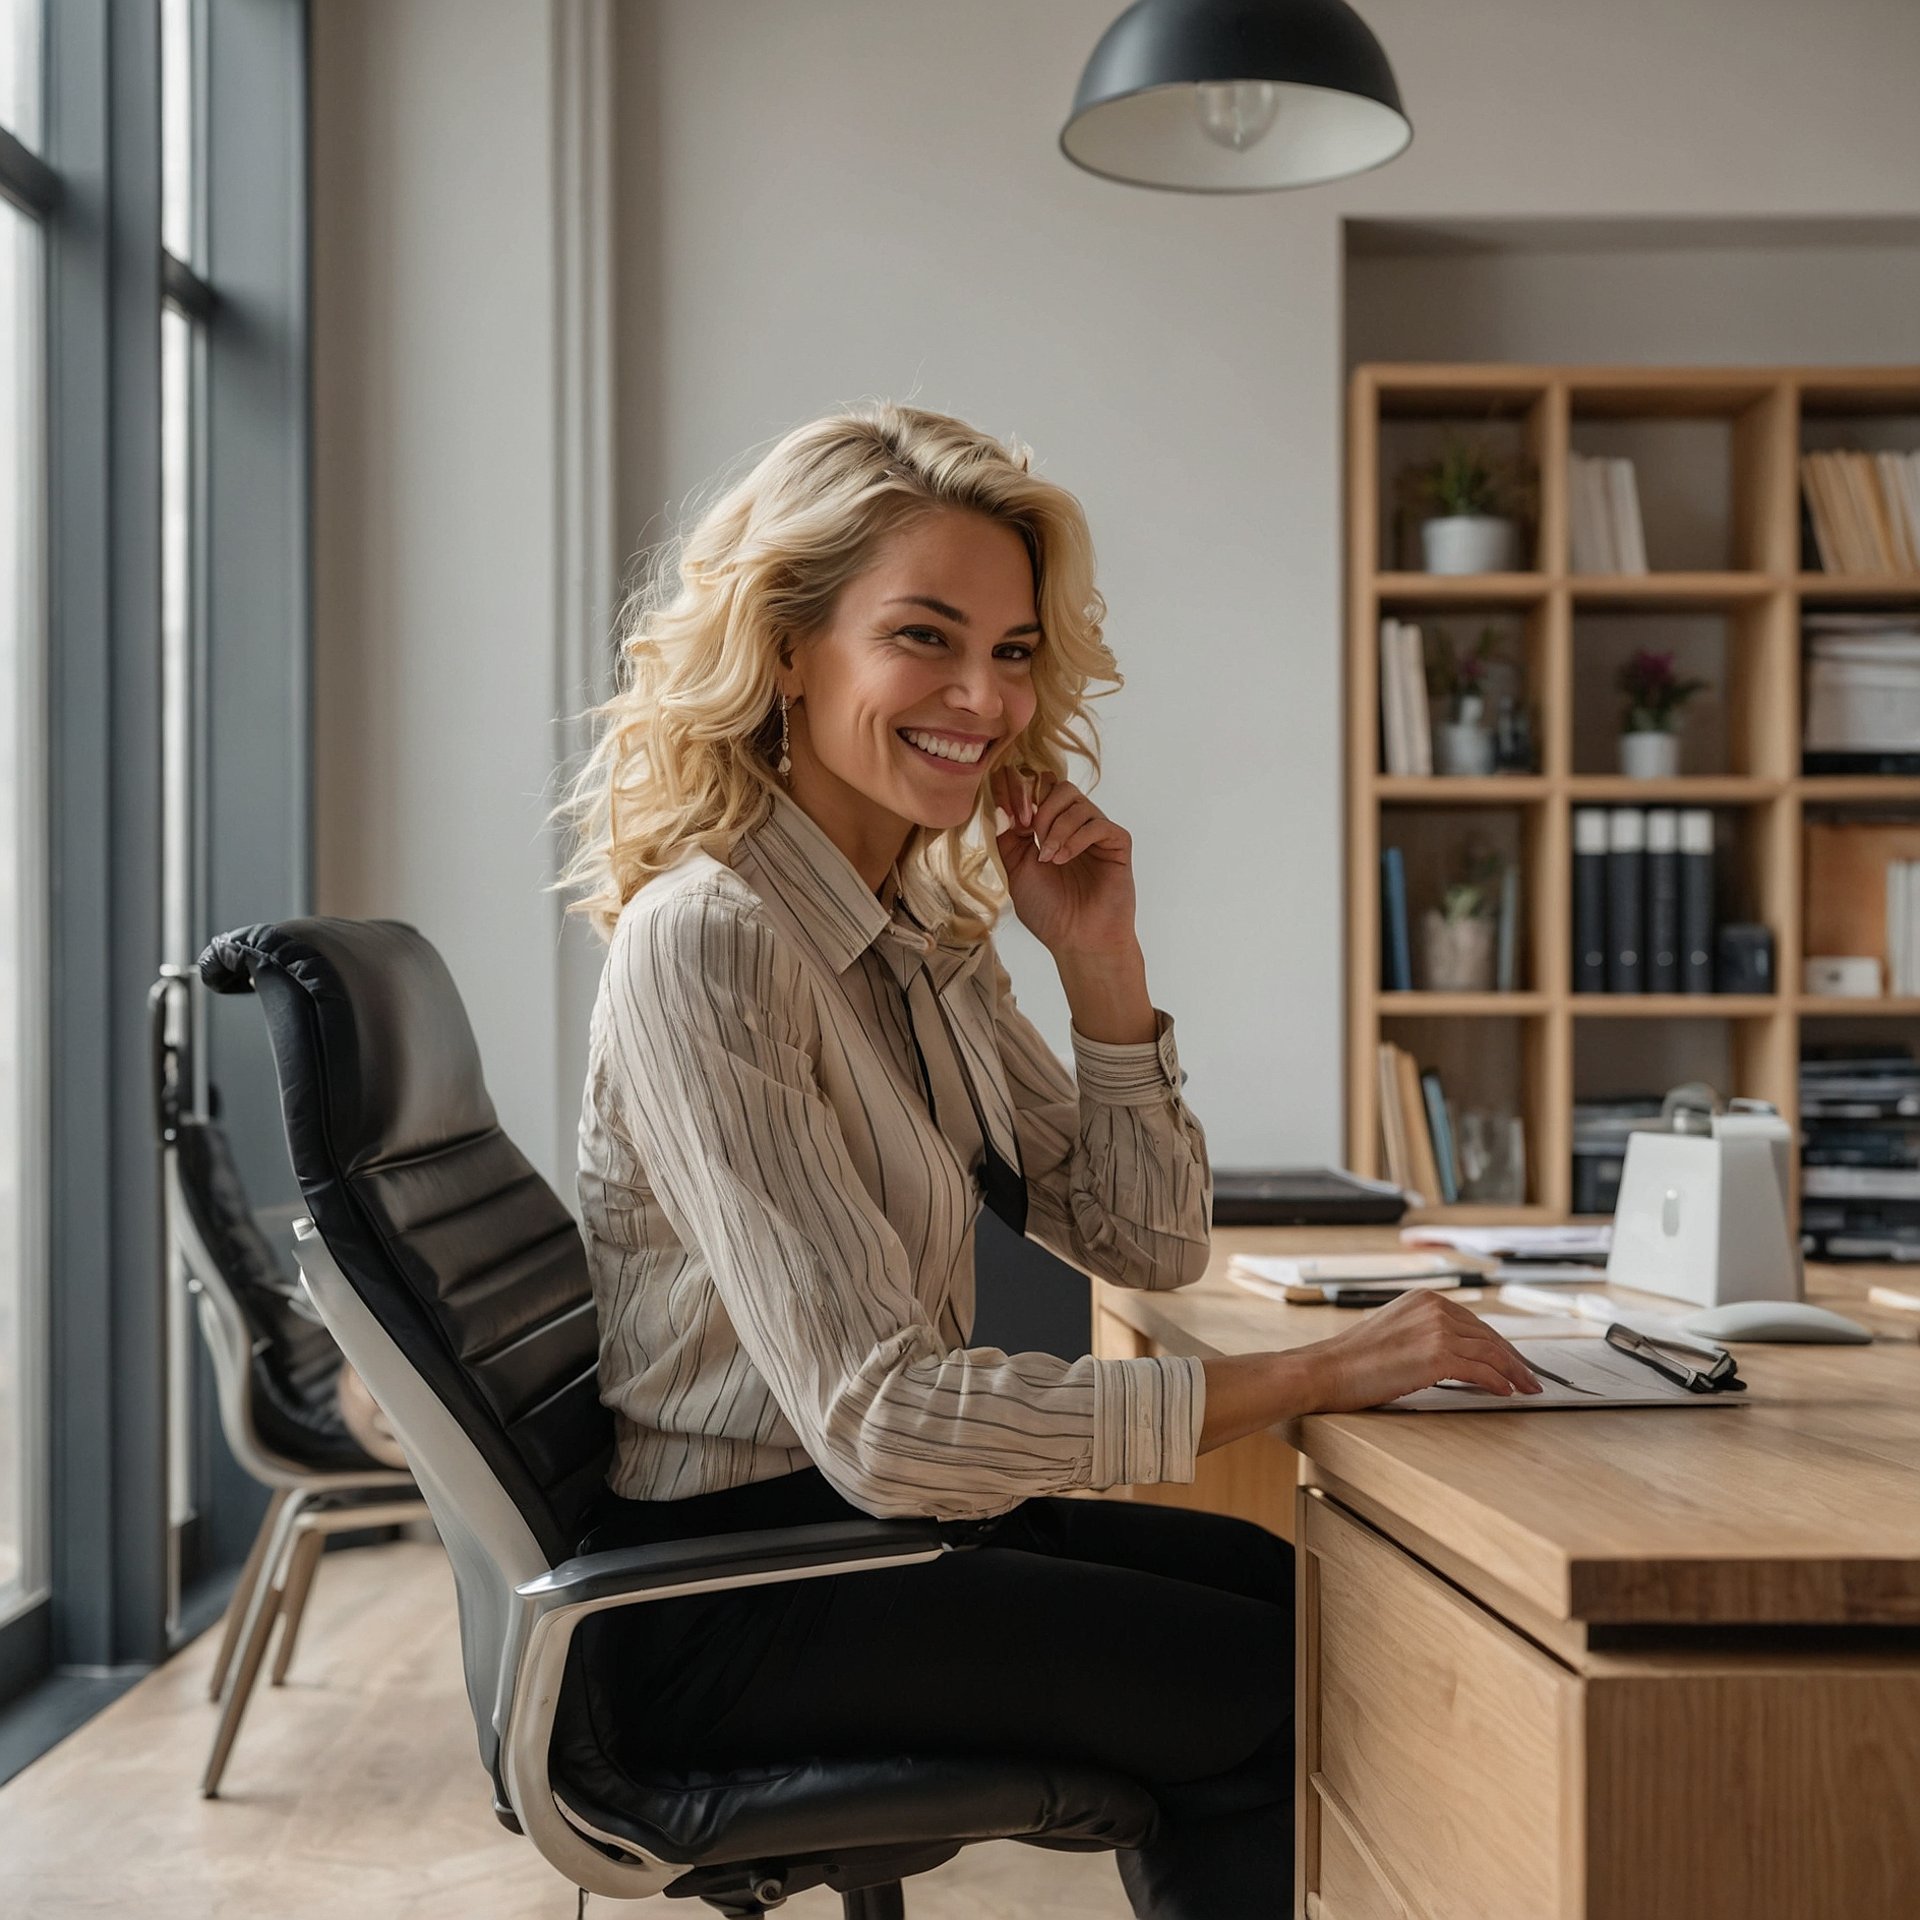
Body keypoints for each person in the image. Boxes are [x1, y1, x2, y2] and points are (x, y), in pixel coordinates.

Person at [554, 402, 1541, 1918]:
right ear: (789, 648)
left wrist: (1102, 969)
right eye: (926, 639)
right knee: (1296, 1678)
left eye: (1012, 652)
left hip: (860, 1542)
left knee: (1335, 1612)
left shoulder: (920, 935)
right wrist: (1312, 1378)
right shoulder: (718, 940)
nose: (983, 697)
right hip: (736, 1595)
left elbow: (1149, 1246)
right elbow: (883, 1425)